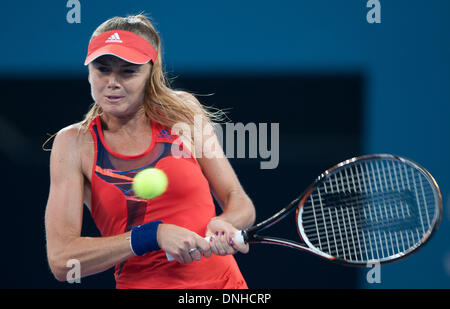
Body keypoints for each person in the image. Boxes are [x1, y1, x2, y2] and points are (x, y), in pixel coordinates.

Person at [44, 14, 256, 289]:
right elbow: (62, 260)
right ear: (89, 71)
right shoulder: (73, 143)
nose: (112, 82)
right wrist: (151, 235)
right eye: (102, 69)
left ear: (151, 73)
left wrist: (226, 222)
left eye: (128, 71)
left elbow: (238, 200)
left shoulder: (183, 112)